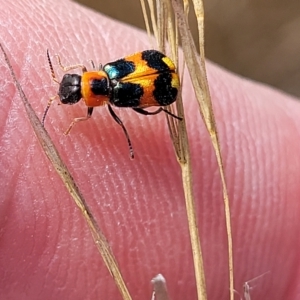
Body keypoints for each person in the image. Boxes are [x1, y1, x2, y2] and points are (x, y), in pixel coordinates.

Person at [0, 1, 299, 299]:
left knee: (137, 114)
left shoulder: (112, 98)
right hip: (155, 70)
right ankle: (164, 110)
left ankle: (164, 112)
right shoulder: (106, 75)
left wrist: (129, 130)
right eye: (77, 85)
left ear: (87, 88)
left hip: (159, 81)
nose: (76, 86)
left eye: (77, 86)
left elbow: (108, 113)